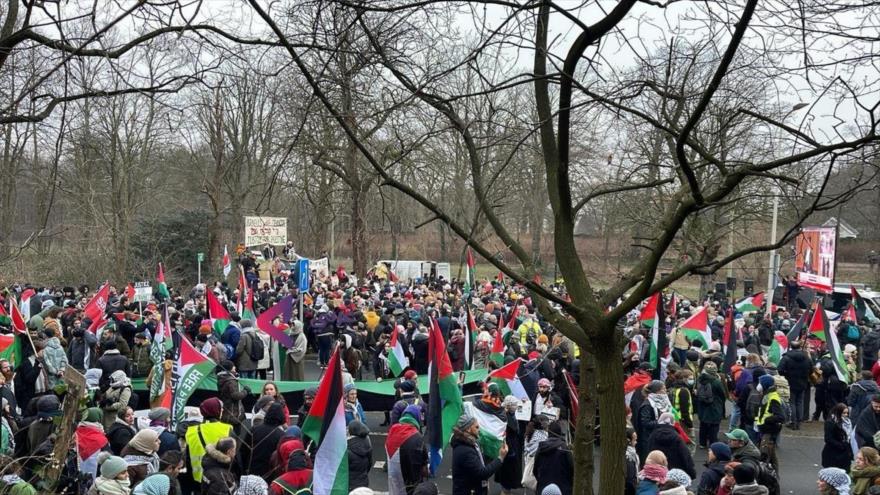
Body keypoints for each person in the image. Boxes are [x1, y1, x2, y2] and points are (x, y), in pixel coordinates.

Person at [451, 412, 507, 495]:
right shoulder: (465, 451)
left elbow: (479, 464)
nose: (479, 429)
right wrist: (500, 458)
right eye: (476, 427)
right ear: (468, 429)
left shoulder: (470, 443)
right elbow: (481, 473)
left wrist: (483, 483)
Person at [184, 398, 233, 485]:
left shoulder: (191, 431)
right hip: (220, 478)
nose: (222, 410)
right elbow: (234, 457)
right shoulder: (227, 429)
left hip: (197, 479)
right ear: (216, 410)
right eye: (220, 407)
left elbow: (187, 457)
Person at [386, 405, 427, 495]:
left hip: (394, 478)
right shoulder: (416, 436)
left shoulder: (393, 430)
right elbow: (423, 466)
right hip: (410, 483)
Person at [240, 402, 286, 479]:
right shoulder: (281, 434)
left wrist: (244, 468)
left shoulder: (254, 430)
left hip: (251, 470)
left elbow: (243, 450)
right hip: (269, 474)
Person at [645, 412, 696, 478]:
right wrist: (692, 473)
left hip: (657, 474)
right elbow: (685, 456)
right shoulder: (677, 438)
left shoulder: (653, 436)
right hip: (674, 474)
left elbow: (649, 454)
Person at [533, 421, 573, 495]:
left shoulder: (541, 448)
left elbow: (535, 469)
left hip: (543, 486)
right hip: (563, 487)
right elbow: (571, 468)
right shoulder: (564, 448)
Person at [754, 374, 784, 473]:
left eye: (760, 383)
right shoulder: (766, 395)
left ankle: (768, 477)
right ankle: (774, 476)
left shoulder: (773, 398)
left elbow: (780, 417)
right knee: (771, 456)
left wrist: (767, 420)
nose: (758, 385)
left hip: (769, 431)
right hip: (764, 429)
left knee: (765, 454)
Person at [637, 380, 673, 460]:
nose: (665, 391)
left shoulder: (665, 402)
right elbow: (645, 423)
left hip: (661, 436)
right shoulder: (647, 405)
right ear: (656, 391)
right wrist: (661, 422)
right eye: (663, 389)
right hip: (649, 440)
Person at [495, 396, 523, 494]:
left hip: (512, 446)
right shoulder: (504, 416)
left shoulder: (510, 414)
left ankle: (506, 489)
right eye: (515, 405)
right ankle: (505, 490)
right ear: (510, 406)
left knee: (509, 470)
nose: (517, 407)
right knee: (507, 470)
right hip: (508, 447)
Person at [695, 361, 726, 448]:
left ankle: (702, 443)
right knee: (714, 425)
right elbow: (722, 394)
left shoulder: (700, 379)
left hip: (702, 405)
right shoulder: (716, 382)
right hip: (714, 405)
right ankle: (713, 443)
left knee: (703, 425)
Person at [216, 361, 250, 431]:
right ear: (230, 368)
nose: (235, 367)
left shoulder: (222, 378)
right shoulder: (231, 381)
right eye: (233, 366)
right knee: (235, 433)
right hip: (233, 413)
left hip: (226, 410)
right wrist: (245, 391)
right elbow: (235, 396)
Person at [822, 403, 855, 471]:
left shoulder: (848, 422)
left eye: (847, 413)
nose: (846, 415)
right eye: (844, 413)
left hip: (844, 453)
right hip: (832, 453)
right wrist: (841, 445)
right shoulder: (831, 423)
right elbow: (828, 438)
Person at [347, 420, 372, 490]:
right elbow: (369, 464)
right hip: (364, 481)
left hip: (350, 484)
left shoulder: (348, 448)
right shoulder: (368, 444)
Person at [625, 428, 640, 495]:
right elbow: (630, 479)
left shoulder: (631, 454)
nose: (636, 442)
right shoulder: (629, 457)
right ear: (629, 441)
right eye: (635, 440)